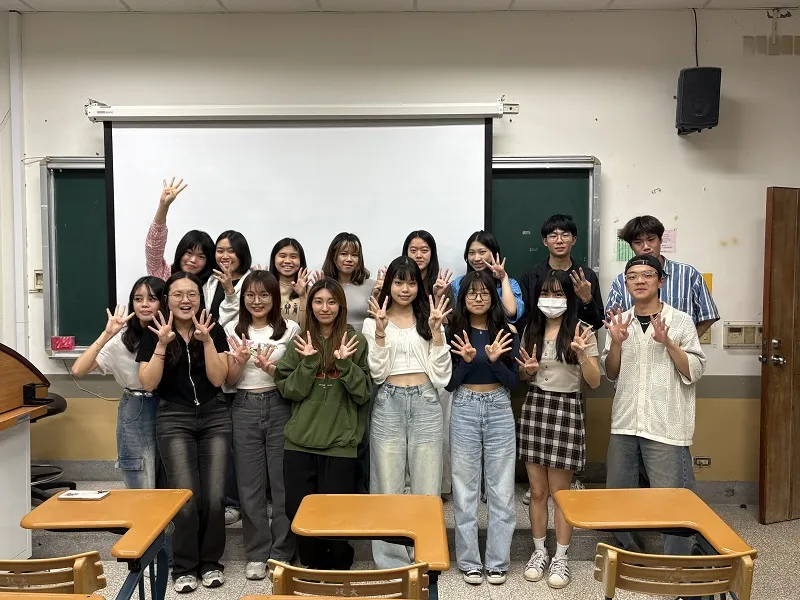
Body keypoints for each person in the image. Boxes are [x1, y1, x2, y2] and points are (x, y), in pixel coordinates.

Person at [602, 255, 706, 557]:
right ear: (626, 283)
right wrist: (617, 342)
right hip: (625, 422)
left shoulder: (680, 320)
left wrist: (669, 343)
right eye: (632, 276)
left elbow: (695, 370)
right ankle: (628, 556)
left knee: (673, 500)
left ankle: (680, 564)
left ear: (660, 281)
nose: (639, 281)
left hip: (665, 424)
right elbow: (611, 372)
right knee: (619, 496)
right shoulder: (620, 321)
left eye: (647, 275)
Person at [137, 272, 231, 593]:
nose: (185, 300)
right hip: (173, 417)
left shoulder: (212, 328)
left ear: (200, 299)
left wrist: (207, 341)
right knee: (185, 496)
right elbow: (149, 382)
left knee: (215, 496)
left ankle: (211, 563)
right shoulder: (155, 330)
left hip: (214, 415)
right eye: (178, 294)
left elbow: (218, 379)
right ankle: (185, 566)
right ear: (168, 299)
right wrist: (162, 344)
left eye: (192, 294)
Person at [274, 277, 372, 570]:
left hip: (340, 444)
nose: (324, 308)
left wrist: (345, 364)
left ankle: (338, 570)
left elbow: (363, 393)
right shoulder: (300, 341)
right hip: (300, 443)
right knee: (297, 510)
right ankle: (311, 568)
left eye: (331, 302)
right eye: (318, 301)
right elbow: (289, 390)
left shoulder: (356, 341)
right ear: (310, 305)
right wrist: (307, 364)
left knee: (338, 515)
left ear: (341, 305)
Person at [362, 257, 452, 569]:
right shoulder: (373, 321)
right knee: (387, 485)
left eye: (411, 283)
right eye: (399, 282)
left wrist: (437, 333)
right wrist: (380, 333)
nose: (405, 289)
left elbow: (442, 376)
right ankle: (392, 561)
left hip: (426, 401)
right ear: (389, 284)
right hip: (388, 402)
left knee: (427, 486)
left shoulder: (431, 318)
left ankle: (424, 553)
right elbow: (377, 373)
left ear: (419, 286)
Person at [516, 270, 601, 589]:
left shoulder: (583, 330)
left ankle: (561, 557)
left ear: (569, 297)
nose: (551, 300)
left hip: (566, 408)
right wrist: (527, 372)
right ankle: (539, 551)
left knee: (560, 493)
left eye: (558, 293)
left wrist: (581, 354)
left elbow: (595, 381)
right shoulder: (531, 330)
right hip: (536, 406)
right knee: (537, 491)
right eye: (546, 293)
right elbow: (524, 376)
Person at [224, 270, 300, 581]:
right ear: (243, 298)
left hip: (280, 405)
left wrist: (272, 369)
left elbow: (295, 376)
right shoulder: (231, 329)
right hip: (244, 406)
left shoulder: (290, 329)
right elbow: (229, 380)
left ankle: (282, 552)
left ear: (275, 297)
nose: (257, 301)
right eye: (251, 295)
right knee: (250, 485)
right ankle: (256, 553)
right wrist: (240, 361)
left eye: (264, 295)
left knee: (282, 484)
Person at [446, 269, 520, 586]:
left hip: (499, 406)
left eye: (485, 292)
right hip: (464, 406)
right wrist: (466, 362)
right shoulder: (452, 332)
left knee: (502, 490)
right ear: (462, 298)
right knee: (465, 490)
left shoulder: (506, 332)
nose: (478, 298)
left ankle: (497, 562)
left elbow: (514, 383)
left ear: (493, 298)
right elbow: (449, 384)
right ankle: (469, 562)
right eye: (472, 293)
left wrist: (494, 362)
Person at [71, 276, 165, 489]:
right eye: (138, 299)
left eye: (152, 299)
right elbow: (78, 370)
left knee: (168, 477)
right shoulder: (122, 339)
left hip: (170, 405)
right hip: (136, 406)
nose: (144, 304)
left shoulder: (172, 335)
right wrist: (107, 334)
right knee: (140, 476)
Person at [402, 230, 455, 496]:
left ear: (432, 254)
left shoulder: (442, 285)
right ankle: (407, 487)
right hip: (404, 371)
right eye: (413, 250)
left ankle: (439, 487)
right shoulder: (399, 284)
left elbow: (449, 325)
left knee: (439, 432)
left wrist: (436, 296)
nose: (418, 255)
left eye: (424, 250)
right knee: (404, 436)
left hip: (435, 367)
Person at [606, 215, 719, 336]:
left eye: (651, 240)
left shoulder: (688, 274)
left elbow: (708, 315)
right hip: (636, 346)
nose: (646, 247)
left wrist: (687, 342)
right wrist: (615, 320)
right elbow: (610, 321)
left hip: (678, 347)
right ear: (631, 246)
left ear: (660, 240)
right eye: (638, 242)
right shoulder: (621, 281)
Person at [518, 214, 604, 332]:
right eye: (553, 236)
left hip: (577, 340)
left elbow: (597, 323)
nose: (559, 241)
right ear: (545, 241)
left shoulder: (587, 276)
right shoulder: (531, 276)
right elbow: (523, 318)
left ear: (574, 240)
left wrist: (587, 300)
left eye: (565, 235)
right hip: (539, 339)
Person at [144, 178, 215, 284]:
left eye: (201, 256)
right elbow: (153, 247)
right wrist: (164, 206)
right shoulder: (164, 275)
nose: (193, 260)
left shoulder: (212, 285)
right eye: (189, 253)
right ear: (180, 252)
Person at [451, 231, 524, 324]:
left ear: (493, 253)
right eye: (471, 253)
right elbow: (455, 316)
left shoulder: (509, 284)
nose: (476, 258)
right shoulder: (459, 283)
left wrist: (503, 278)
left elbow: (510, 312)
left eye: (482, 252)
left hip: (498, 332)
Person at [320, 232, 379, 331]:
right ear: (333, 256)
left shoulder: (372, 286)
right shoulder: (324, 286)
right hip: (334, 339)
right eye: (344, 254)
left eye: (354, 255)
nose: (349, 259)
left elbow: (378, 319)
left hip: (365, 339)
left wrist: (379, 294)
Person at [204, 230, 252, 328]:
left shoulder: (253, 282)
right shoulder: (210, 280)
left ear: (242, 253)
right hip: (208, 336)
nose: (225, 256)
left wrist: (230, 292)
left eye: (231, 251)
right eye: (220, 251)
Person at [269, 238, 310, 330]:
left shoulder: (311, 291)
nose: (287, 261)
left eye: (293, 256)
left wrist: (303, 296)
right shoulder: (266, 288)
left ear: (301, 260)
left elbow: (308, 328)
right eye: (282, 256)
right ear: (274, 259)